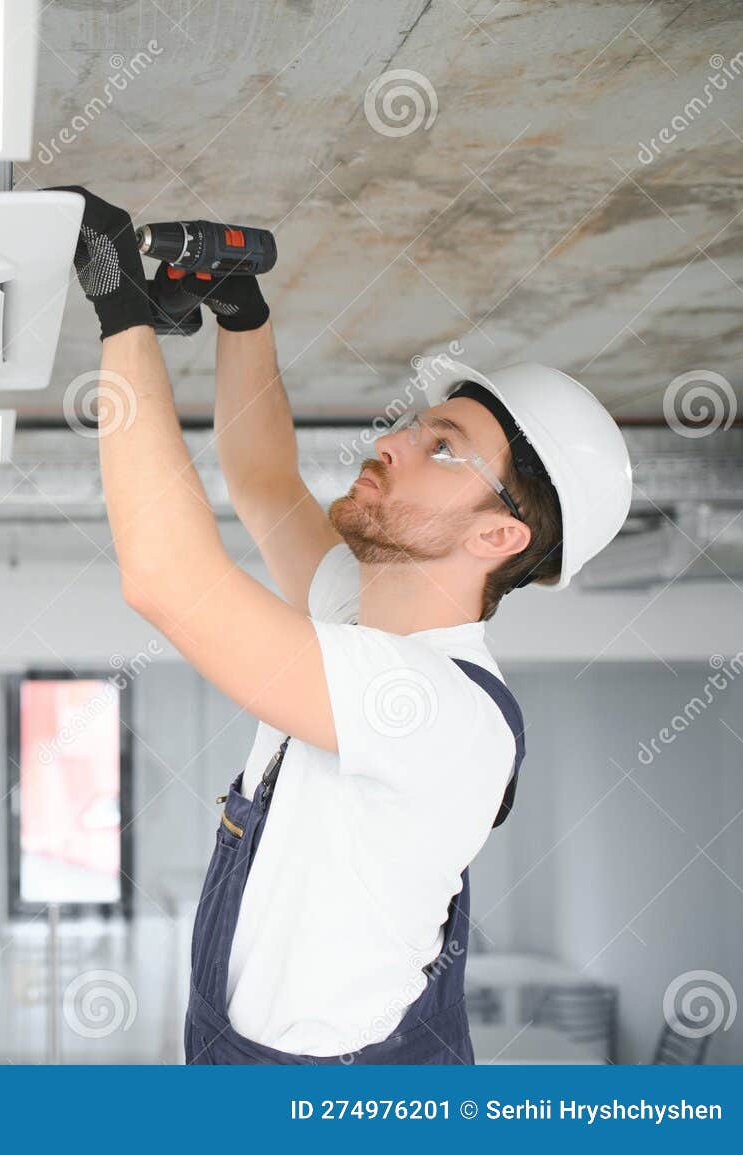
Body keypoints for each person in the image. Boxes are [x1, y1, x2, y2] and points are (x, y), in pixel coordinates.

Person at [52, 185, 633, 1064]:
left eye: (443, 448)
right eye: (417, 425)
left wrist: (120, 309)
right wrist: (242, 314)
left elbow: (168, 579)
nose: (392, 442)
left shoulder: (440, 712)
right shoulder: (359, 618)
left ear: (498, 535)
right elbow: (262, 479)